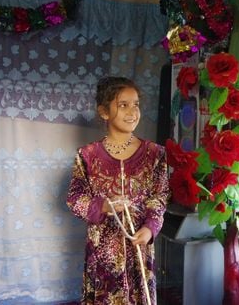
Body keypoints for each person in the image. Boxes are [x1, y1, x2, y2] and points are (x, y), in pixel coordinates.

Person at [67, 76, 170, 304]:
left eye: (136, 104)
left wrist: (151, 228)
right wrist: (102, 206)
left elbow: (159, 196)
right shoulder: (87, 155)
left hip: (139, 252)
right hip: (102, 256)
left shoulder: (155, 154)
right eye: (123, 105)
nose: (132, 111)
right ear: (104, 111)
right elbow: (75, 198)